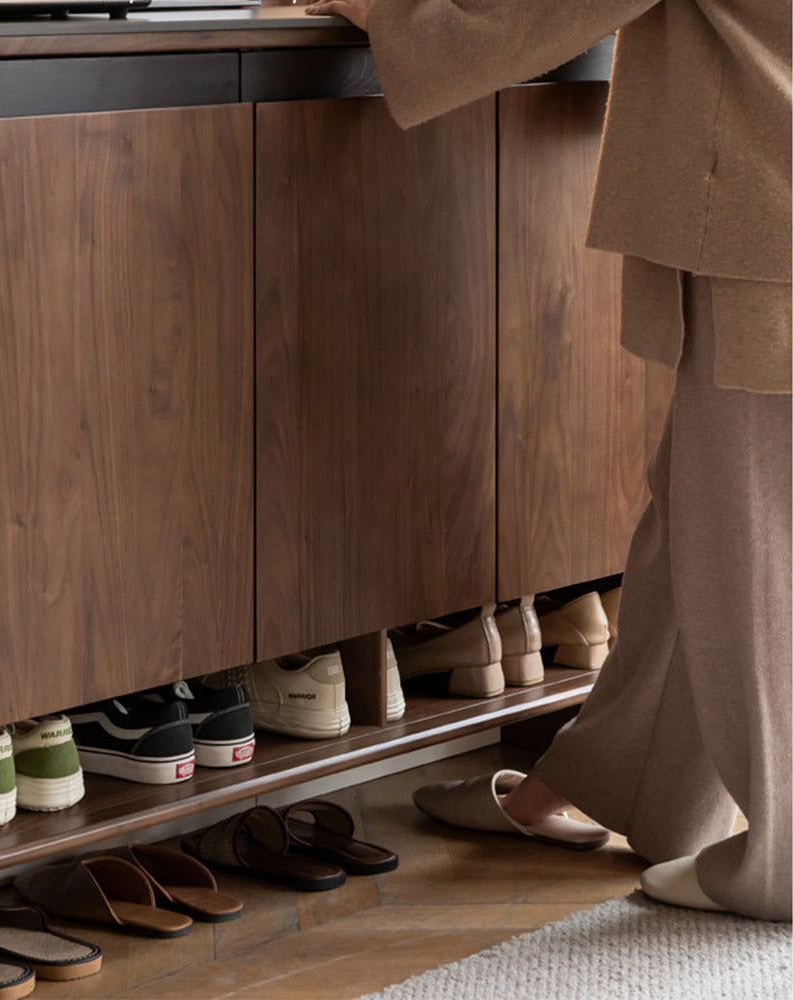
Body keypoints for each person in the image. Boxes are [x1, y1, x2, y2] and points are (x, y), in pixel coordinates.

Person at [303, 0, 792, 921]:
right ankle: (611, 791)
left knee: (748, 548)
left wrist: (396, 15)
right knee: (697, 526)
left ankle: (786, 858)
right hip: (770, 197)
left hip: (767, 208)